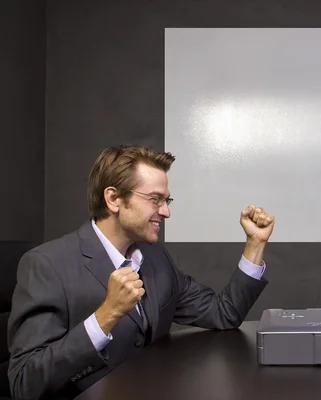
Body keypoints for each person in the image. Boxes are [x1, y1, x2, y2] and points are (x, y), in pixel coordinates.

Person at [7, 145, 275, 400]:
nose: (166, 211)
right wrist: (106, 315)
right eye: (155, 199)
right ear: (113, 199)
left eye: (166, 200)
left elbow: (223, 313)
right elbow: (25, 383)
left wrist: (255, 244)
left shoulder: (156, 258)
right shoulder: (46, 265)